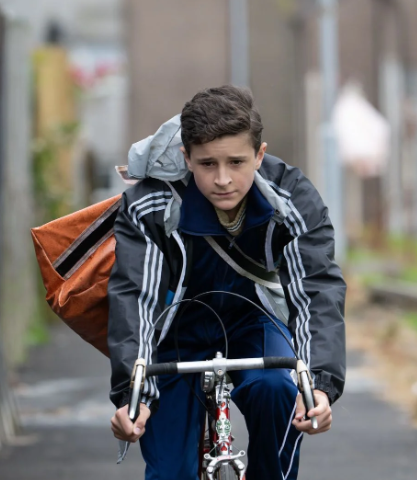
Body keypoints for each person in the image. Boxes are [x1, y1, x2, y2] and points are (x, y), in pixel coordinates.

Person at [108, 85, 346, 480]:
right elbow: (136, 298)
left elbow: (316, 291)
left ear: (260, 155)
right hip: (175, 332)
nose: (222, 179)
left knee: (278, 390)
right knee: (169, 473)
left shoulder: (292, 198)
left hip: (254, 323)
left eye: (237, 162)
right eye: (207, 163)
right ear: (186, 157)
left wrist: (318, 386)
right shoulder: (151, 203)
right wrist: (134, 396)